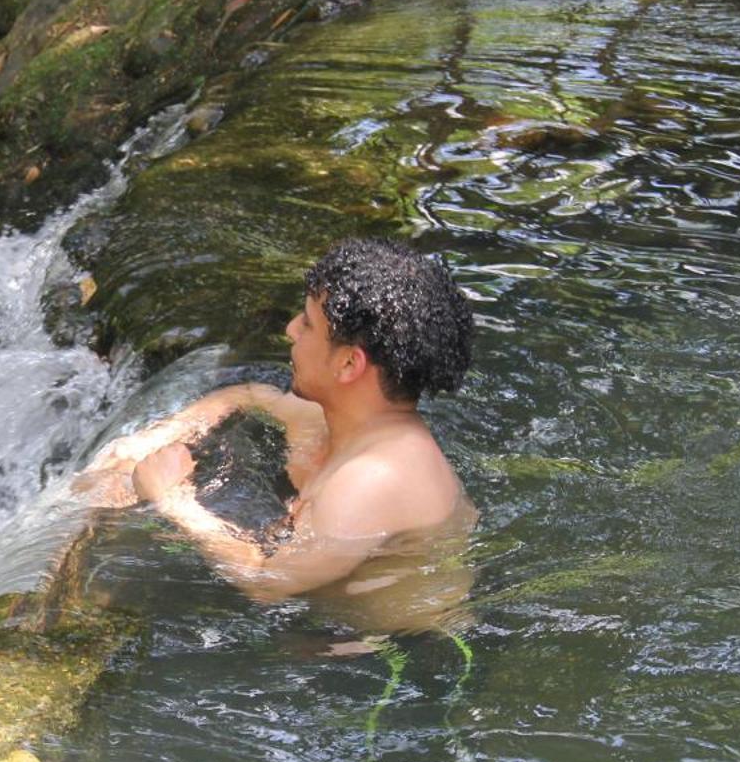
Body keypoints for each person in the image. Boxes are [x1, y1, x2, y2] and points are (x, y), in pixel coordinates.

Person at [79, 237, 476, 609]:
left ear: (349, 363)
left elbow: (265, 581)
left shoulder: (371, 480)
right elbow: (253, 396)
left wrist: (172, 499)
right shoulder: (346, 425)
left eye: (306, 324)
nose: (289, 330)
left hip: (398, 659)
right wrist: (169, 430)